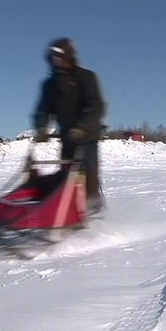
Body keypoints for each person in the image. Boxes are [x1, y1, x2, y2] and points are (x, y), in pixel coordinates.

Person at [32, 37, 106, 212]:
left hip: (87, 137)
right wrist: (42, 128)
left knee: (88, 176)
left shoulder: (86, 77)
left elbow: (96, 106)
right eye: (52, 58)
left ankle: (94, 213)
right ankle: (63, 210)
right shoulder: (50, 84)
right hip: (67, 137)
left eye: (58, 57)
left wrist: (82, 128)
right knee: (65, 174)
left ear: (68, 57)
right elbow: (43, 110)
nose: (55, 61)